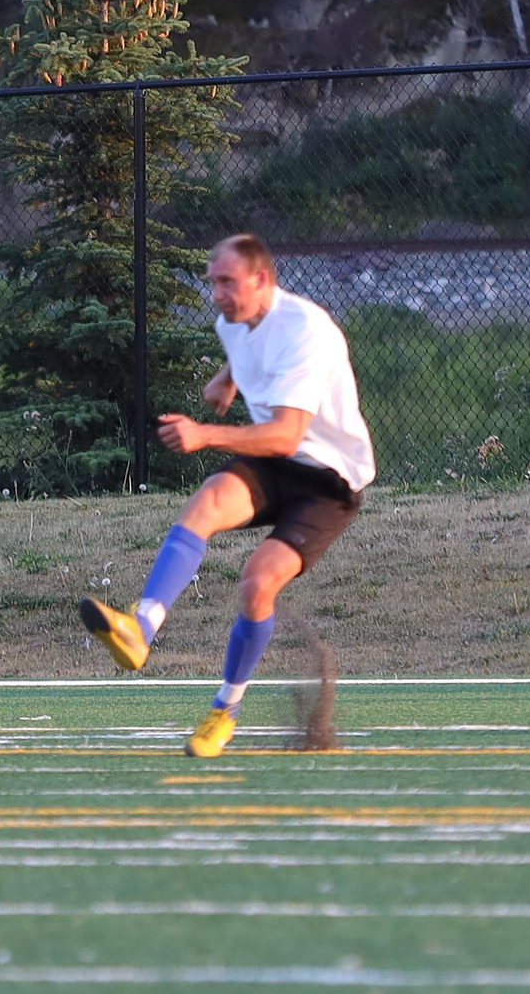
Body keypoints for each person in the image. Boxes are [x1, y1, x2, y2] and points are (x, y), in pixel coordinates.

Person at [77, 233, 374, 757]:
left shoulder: (308, 330)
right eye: (213, 281)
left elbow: (285, 432)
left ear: (262, 279)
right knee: (207, 503)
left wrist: (205, 432)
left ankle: (223, 712)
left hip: (329, 480)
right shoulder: (234, 320)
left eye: (227, 282)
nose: (216, 293)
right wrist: (227, 379)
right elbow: (249, 348)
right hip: (277, 463)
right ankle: (139, 628)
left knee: (257, 582)